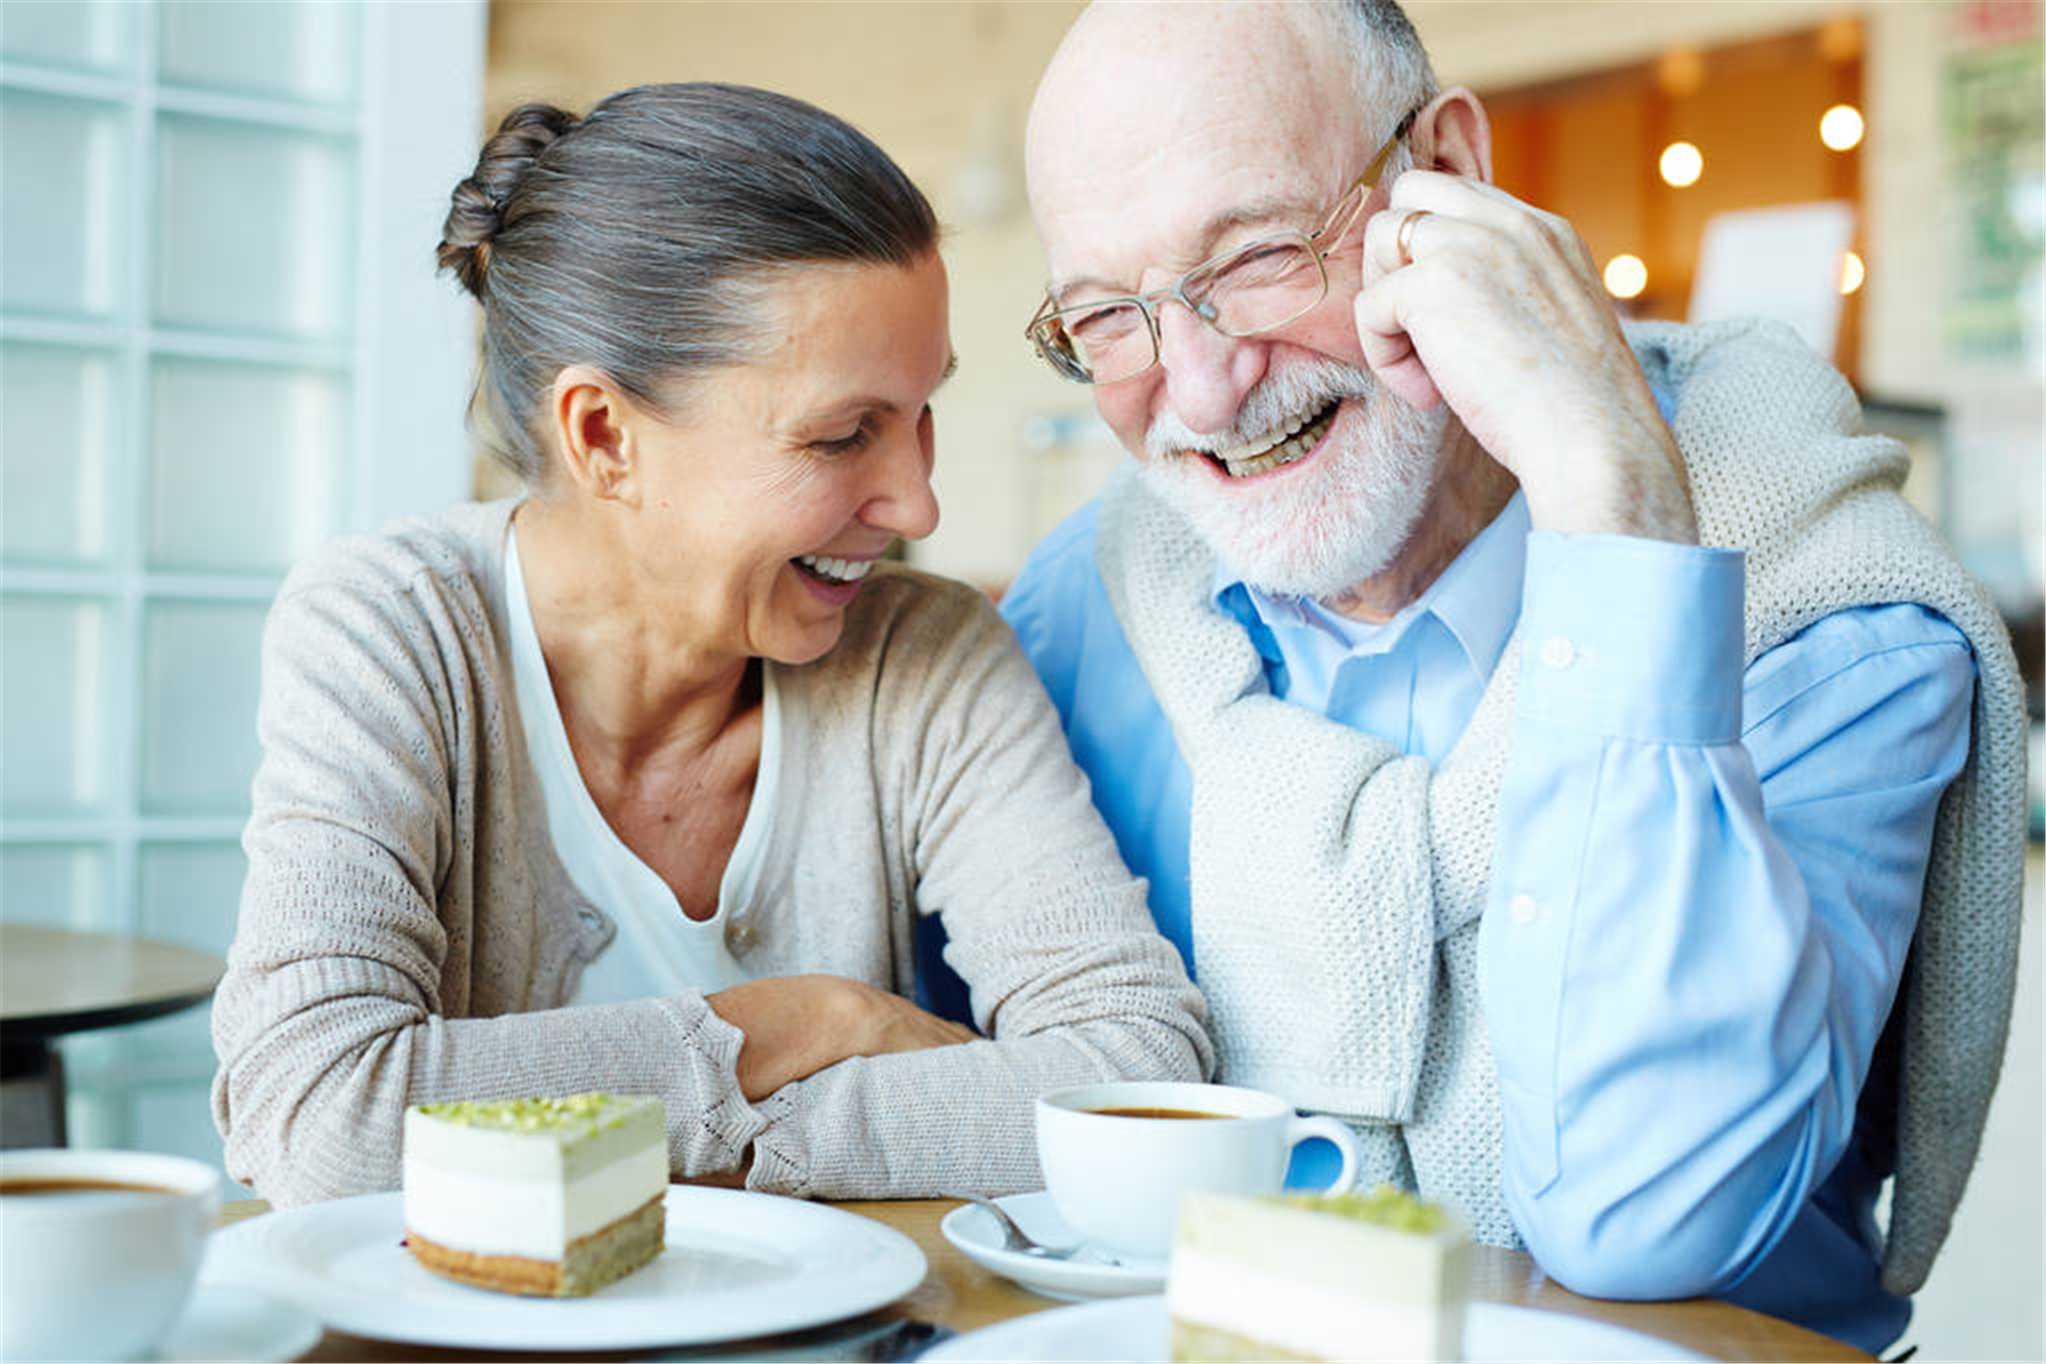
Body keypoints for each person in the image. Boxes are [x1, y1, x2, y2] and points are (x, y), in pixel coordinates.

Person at [1000, 1, 2026, 1352]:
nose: (1197, 390)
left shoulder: (1824, 612)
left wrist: (1620, 523)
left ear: (1448, 173)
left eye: (1253, 259)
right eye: (1104, 317)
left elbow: (1653, 1219)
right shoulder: (1079, 611)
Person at [210, 83, 1212, 1209]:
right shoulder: (395, 628)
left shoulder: (925, 660)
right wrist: (798, 1022)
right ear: (605, 436)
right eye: (844, 435)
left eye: (922, 411)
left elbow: (1142, 1079)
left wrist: (717, 1136)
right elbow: (324, 1121)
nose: (919, 504)